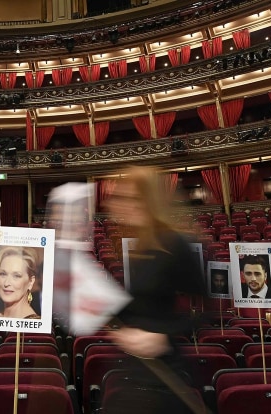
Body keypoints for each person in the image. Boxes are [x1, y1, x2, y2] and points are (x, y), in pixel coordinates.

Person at [102, 165, 206, 414]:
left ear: (150, 200)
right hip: (139, 370)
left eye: (133, 198)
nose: (125, 204)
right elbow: (141, 307)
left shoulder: (176, 243)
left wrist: (161, 335)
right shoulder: (141, 246)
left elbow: (207, 311)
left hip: (167, 375)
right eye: (122, 197)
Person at [0, 246, 40, 319]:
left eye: (16, 276)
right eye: (3, 274)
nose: (6, 283)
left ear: (30, 282)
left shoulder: (34, 326)